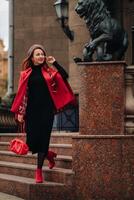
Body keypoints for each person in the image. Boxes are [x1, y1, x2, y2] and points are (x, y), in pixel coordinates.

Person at [11, 44, 75, 183]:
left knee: (43, 139)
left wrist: (55, 63)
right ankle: (49, 155)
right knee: (32, 144)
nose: (41, 56)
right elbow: (23, 95)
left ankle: (38, 171)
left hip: (47, 111)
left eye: (42, 54)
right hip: (31, 112)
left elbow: (65, 76)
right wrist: (20, 112)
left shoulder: (50, 72)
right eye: (38, 54)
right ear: (32, 58)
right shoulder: (25, 74)